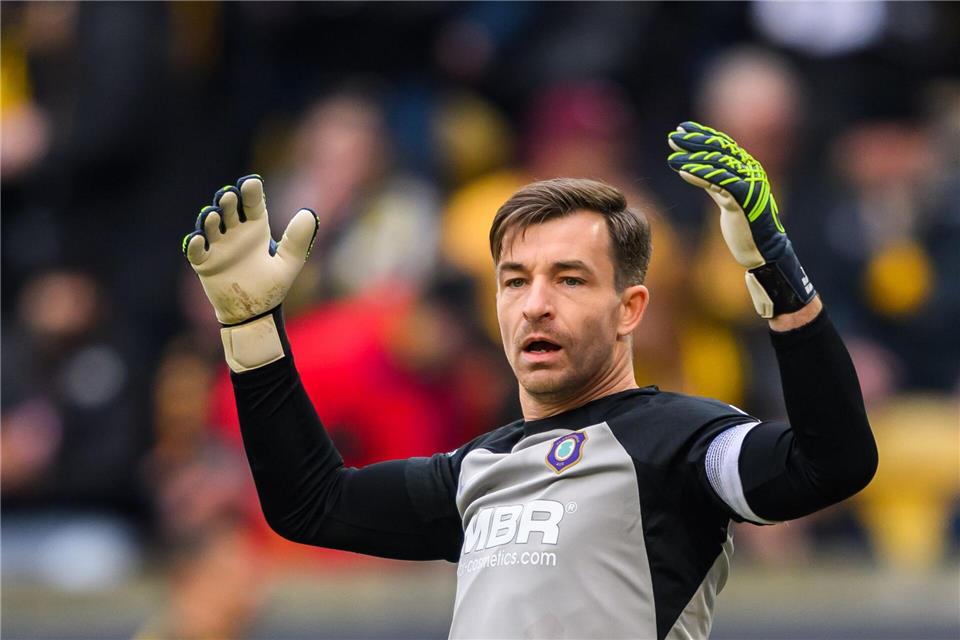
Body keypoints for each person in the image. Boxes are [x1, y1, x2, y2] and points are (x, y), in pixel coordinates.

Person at [181, 121, 877, 639]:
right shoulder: (477, 469)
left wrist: (777, 273)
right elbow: (311, 504)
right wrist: (251, 331)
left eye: (569, 279)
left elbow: (833, 464)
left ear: (630, 308)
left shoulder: (683, 441)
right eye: (515, 280)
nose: (536, 302)